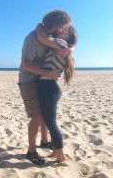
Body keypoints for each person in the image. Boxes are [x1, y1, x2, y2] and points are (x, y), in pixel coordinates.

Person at [18, 10, 73, 165]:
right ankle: (31, 151)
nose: (63, 30)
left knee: (43, 113)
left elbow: (70, 44)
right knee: (36, 116)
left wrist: (70, 49)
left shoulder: (51, 38)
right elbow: (26, 64)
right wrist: (47, 73)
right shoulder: (33, 38)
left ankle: (44, 141)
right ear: (56, 27)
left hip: (42, 80)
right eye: (63, 27)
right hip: (28, 80)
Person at [38, 25, 78, 163]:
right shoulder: (62, 45)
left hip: (49, 87)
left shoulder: (61, 44)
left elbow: (41, 37)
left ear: (68, 36)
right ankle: (55, 150)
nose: (61, 29)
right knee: (48, 120)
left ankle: (60, 154)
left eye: (65, 30)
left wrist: (39, 26)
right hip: (48, 86)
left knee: (51, 123)